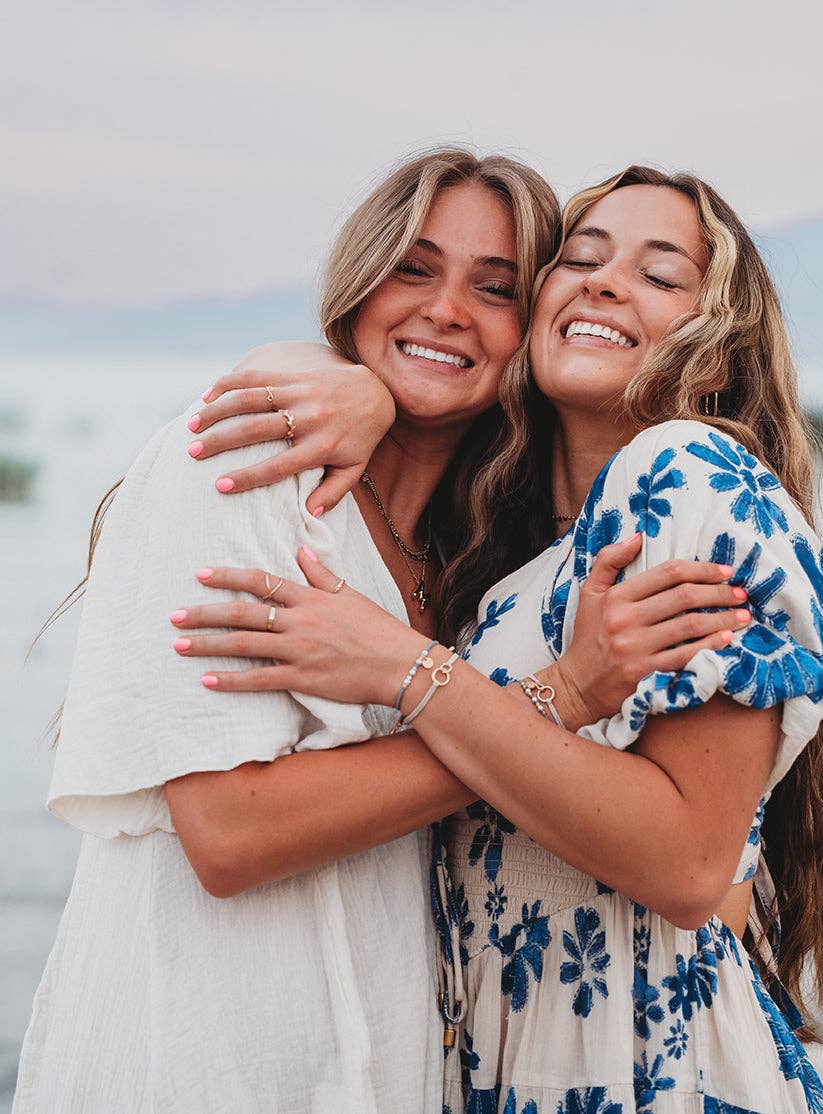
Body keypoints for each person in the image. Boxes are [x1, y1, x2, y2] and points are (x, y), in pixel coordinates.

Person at [15, 152, 746, 1114]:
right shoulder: (246, 471)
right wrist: (551, 702)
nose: (446, 309)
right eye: (412, 267)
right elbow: (229, 835)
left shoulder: (490, 560)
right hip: (186, 1070)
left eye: (495, 288)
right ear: (357, 283)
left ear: (533, 324)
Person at [176, 167, 823, 1112]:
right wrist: (363, 390)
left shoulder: (687, 470)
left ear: (718, 339)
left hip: (646, 1072)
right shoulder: (516, 559)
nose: (605, 282)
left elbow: (686, 864)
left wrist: (402, 667)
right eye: (579, 259)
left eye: (660, 277)